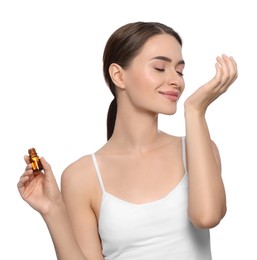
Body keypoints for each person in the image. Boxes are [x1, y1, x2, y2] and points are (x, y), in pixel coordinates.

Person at [17, 21, 238, 260]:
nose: (177, 80)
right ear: (118, 75)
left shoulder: (199, 149)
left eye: (180, 70)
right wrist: (52, 209)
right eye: (160, 68)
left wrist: (195, 111)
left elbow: (207, 216)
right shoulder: (81, 175)